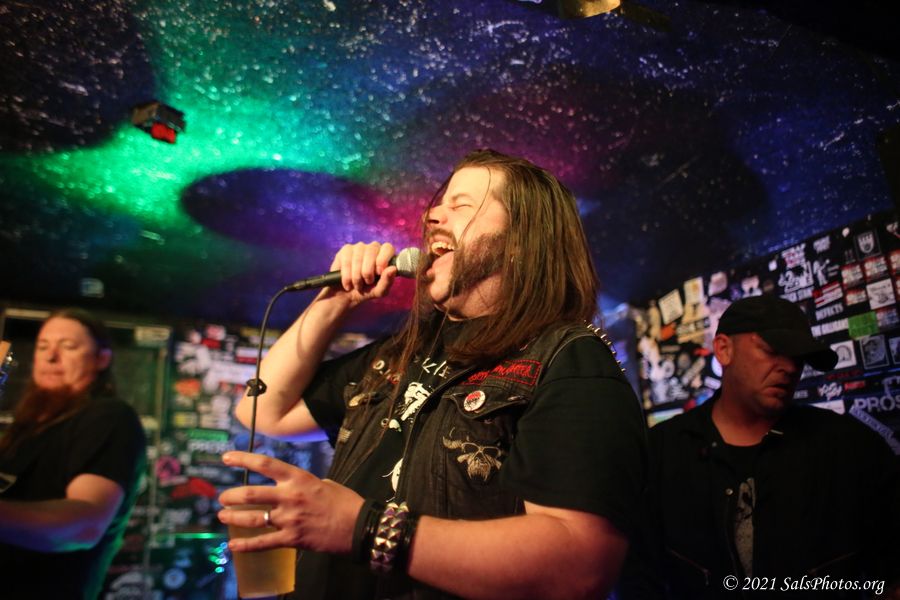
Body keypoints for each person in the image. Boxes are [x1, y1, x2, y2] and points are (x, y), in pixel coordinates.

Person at [218, 149, 647, 599]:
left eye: (461, 205)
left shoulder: (568, 359)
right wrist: (335, 302)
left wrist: (363, 528)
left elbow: (579, 566)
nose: (432, 216)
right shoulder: (399, 353)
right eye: (439, 206)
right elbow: (262, 410)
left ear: (522, 239)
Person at [619, 294, 900, 599]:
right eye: (773, 350)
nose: (789, 367)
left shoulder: (850, 447)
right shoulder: (663, 452)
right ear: (724, 349)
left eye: (798, 357)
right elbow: (637, 576)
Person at [0, 308, 147, 599]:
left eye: (68, 347)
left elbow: (84, 526)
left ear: (101, 359)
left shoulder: (109, 416)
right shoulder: (30, 425)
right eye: (43, 346)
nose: (50, 357)